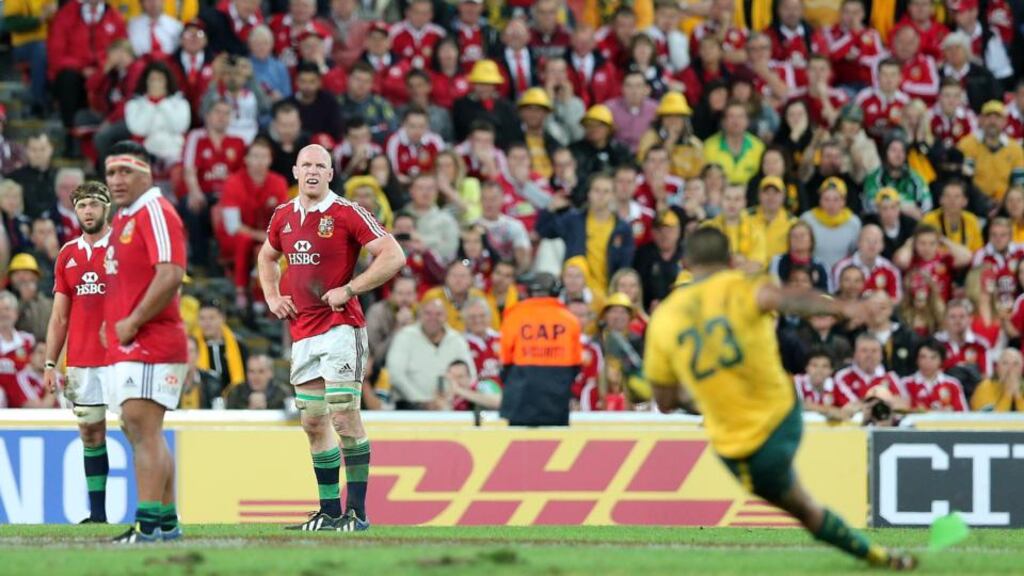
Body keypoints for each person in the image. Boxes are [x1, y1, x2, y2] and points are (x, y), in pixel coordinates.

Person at [645, 227, 916, 570]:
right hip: (786, 414)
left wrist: (701, 400)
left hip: (745, 446)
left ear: (685, 263)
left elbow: (666, 402)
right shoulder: (742, 286)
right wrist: (845, 308)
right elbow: (790, 299)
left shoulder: (665, 319)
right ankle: (881, 557)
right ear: (729, 261)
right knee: (804, 500)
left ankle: (875, 555)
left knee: (803, 509)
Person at [257, 143, 404, 532]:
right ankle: (328, 512)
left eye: (320, 165)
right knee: (312, 422)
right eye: (306, 164)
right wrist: (273, 296)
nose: (312, 171)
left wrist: (351, 288)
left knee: (343, 415)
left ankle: (357, 513)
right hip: (302, 331)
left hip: (341, 328)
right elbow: (267, 256)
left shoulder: (347, 212)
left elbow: (393, 255)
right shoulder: (283, 216)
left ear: (330, 173)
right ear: (294, 171)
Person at [102, 141, 188, 543]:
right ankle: (166, 521)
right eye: (110, 173)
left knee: (142, 425)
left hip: (154, 338)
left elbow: (171, 273)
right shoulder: (124, 216)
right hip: (133, 340)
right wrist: (112, 322)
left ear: (146, 174)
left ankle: (148, 524)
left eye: (124, 172)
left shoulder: (156, 211)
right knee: (139, 427)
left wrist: (133, 320)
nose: (116, 181)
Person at [40, 181, 112, 522]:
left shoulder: (122, 248)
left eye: (94, 205)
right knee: (90, 433)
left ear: (106, 207)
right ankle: (97, 515)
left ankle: (153, 511)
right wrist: (51, 362)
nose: (88, 211)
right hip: (83, 361)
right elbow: (59, 316)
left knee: (140, 432)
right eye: (82, 205)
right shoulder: (68, 254)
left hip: (122, 358)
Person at [499, 272, 582, 426]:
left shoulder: (514, 317)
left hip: (520, 400)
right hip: (557, 402)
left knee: (518, 448)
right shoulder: (570, 321)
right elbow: (576, 365)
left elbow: (505, 360)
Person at [536, 174, 634, 300]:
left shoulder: (623, 229)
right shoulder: (573, 221)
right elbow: (543, 231)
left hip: (608, 295)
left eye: (606, 191)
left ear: (613, 195)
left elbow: (624, 268)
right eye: (596, 190)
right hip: (576, 294)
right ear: (589, 193)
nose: (601, 196)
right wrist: (550, 208)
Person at [386, 298, 475, 409]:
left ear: (446, 317)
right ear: (420, 315)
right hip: (410, 406)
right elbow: (396, 375)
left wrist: (452, 400)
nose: (433, 318)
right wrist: (423, 402)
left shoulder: (457, 340)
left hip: (452, 407)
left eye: (439, 314)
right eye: (428, 313)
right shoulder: (405, 336)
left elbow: (471, 374)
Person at [957, 101, 1024, 204]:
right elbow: (965, 180)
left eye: (997, 117)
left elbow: (1019, 184)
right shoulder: (966, 144)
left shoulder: (1015, 149)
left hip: (1005, 204)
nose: (992, 121)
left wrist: (1003, 201)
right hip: (973, 202)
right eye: (988, 117)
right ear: (980, 120)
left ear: (1005, 121)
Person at [420, 261, 498, 332]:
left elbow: (493, 325)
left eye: (463, 276)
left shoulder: (478, 296)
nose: (458, 280)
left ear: (471, 279)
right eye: (454, 275)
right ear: (446, 278)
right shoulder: (433, 296)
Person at [703, 102, 766, 186]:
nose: (736, 121)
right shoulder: (709, 146)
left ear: (748, 121)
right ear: (723, 122)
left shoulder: (759, 147)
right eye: (731, 116)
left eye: (740, 116)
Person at [895, 339, 968, 412]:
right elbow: (899, 414)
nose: (928, 362)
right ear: (916, 360)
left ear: (941, 360)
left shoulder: (953, 384)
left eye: (933, 357)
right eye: (923, 357)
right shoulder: (905, 383)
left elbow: (964, 415)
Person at [793, 348, 856, 420]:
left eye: (825, 366)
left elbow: (852, 406)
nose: (819, 370)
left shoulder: (835, 384)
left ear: (831, 370)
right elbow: (796, 406)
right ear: (806, 368)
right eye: (814, 365)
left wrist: (844, 411)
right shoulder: (796, 382)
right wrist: (827, 410)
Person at [365, 275, 417, 360]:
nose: (405, 299)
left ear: (416, 295)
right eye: (400, 293)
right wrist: (398, 329)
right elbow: (376, 355)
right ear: (391, 295)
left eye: (409, 294)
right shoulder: (377, 312)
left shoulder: (422, 313)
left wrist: (413, 328)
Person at [8, 253, 52, 341]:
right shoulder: (5, 303)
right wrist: (23, 302)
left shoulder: (50, 304)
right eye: (16, 273)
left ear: (35, 276)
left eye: (25, 272)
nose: (21, 277)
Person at [226, 354, 292, 409]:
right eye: (251, 371)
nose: (256, 377)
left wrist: (265, 408)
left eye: (261, 371)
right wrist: (249, 409)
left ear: (271, 373)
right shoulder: (235, 392)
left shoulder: (283, 393)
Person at [178, 336, 223, 409]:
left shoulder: (212, 381)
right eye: (183, 351)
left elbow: (218, 413)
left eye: (191, 351)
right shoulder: (170, 382)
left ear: (198, 355)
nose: (187, 356)